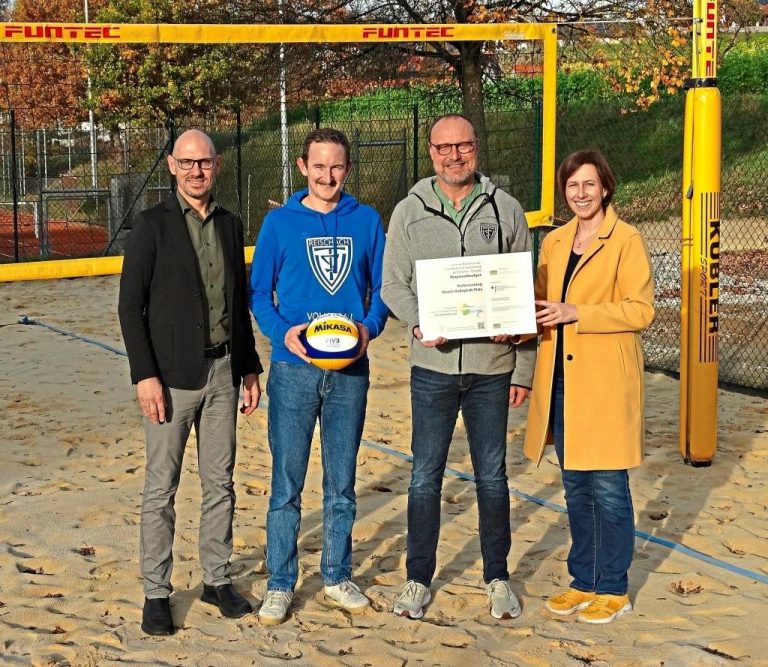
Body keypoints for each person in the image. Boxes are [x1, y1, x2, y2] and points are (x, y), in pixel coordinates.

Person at [381, 113, 536, 621]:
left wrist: (523, 368)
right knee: (425, 477)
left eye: (463, 146)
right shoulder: (409, 212)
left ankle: (497, 577)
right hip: (433, 367)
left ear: (475, 148)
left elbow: (523, 293)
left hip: (493, 368)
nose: (454, 156)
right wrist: (423, 320)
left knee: (492, 477)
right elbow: (392, 286)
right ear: (431, 152)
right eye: (444, 148)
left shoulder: (506, 208)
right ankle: (417, 579)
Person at [118, 129, 263, 636]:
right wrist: (145, 376)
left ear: (217, 165)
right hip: (171, 379)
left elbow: (236, 304)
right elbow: (129, 309)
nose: (196, 171)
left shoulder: (229, 223)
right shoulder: (151, 225)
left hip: (224, 371)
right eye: (187, 163)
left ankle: (217, 578)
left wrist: (249, 366)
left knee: (220, 483)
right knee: (162, 488)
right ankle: (157, 591)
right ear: (172, 167)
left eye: (204, 162)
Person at [249, 128, 388, 626]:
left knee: (341, 483)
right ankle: (281, 583)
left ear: (347, 169)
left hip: (350, 369)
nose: (328, 176)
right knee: (286, 484)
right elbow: (259, 294)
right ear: (303, 166)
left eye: (337, 167)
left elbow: (384, 289)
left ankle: (335, 574)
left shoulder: (367, 220)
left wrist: (369, 329)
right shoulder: (279, 223)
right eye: (319, 166)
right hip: (293, 370)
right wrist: (283, 333)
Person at [523, 149, 655, 624]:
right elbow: (538, 305)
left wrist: (579, 312)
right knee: (576, 488)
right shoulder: (555, 241)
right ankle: (583, 580)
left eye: (589, 185)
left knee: (609, 489)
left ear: (605, 188)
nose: (581, 194)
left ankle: (614, 587)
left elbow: (640, 310)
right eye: (572, 186)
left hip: (604, 382)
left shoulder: (626, 239)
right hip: (560, 380)